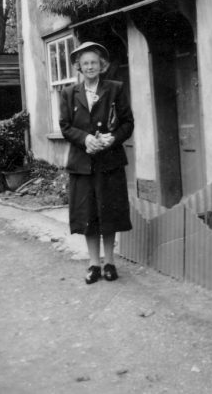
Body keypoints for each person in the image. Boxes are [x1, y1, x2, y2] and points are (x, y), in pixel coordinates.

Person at [59, 41, 134, 284]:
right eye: (85, 63)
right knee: (88, 215)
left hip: (109, 163)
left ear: (102, 66)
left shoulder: (115, 89)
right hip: (82, 165)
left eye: (94, 62)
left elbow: (127, 123)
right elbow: (65, 126)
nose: (90, 67)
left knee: (108, 213)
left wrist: (113, 138)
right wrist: (86, 139)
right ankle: (93, 264)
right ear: (79, 67)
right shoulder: (69, 93)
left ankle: (110, 262)